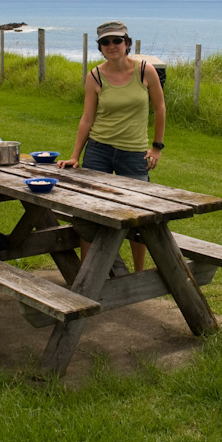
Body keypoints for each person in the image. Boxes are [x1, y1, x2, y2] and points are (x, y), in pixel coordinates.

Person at [57, 21, 166, 271]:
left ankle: (138, 273)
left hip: (134, 152)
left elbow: (160, 109)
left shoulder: (144, 71)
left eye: (117, 40)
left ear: (127, 43)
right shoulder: (94, 76)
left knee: (138, 215)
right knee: (90, 212)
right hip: (99, 150)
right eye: (106, 42)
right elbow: (87, 118)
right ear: (100, 48)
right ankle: (89, 272)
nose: (112, 46)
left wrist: (157, 147)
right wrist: (75, 155)